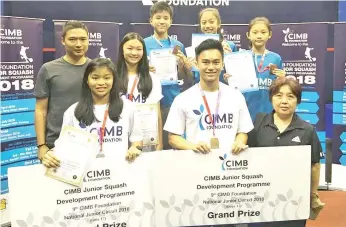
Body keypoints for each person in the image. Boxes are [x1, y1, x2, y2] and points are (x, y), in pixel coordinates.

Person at [248, 77, 325, 227]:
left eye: (290, 96)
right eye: (278, 95)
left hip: (293, 201)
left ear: (298, 101)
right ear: (271, 99)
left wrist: (313, 194)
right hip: (260, 200)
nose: (284, 101)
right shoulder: (258, 123)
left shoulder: (307, 130)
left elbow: (314, 165)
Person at [40, 58, 143, 168]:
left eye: (107, 78)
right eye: (95, 78)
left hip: (119, 174)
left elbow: (137, 140)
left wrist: (135, 148)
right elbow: (64, 146)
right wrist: (50, 156)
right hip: (86, 177)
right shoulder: (72, 112)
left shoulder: (128, 107)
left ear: (113, 80)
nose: (101, 83)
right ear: (87, 80)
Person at [164, 39, 253, 154]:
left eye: (216, 62)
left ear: (222, 64)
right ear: (196, 64)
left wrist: (238, 142)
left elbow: (243, 131)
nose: (211, 67)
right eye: (205, 62)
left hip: (229, 165)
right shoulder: (183, 99)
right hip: (197, 165)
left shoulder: (236, 96)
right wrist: (192, 146)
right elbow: (173, 137)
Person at [35, 20, 91, 162]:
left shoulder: (96, 68)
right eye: (72, 39)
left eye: (83, 39)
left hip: (91, 141)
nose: (78, 44)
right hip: (56, 143)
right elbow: (40, 110)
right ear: (63, 41)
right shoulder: (48, 69)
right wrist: (41, 145)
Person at [144, 1, 192, 150]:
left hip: (172, 100)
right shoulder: (143, 44)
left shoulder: (178, 45)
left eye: (165, 18)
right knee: (153, 146)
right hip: (150, 101)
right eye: (158, 17)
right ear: (151, 20)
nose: (162, 21)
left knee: (173, 146)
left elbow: (184, 77)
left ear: (171, 21)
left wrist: (185, 67)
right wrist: (145, 70)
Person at [226, 17, 285, 120]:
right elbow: (233, 89)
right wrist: (229, 80)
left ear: (269, 34)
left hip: (269, 114)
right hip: (245, 114)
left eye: (263, 32)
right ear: (248, 35)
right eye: (255, 32)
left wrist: (282, 79)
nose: (259, 36)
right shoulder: (240, 58)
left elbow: (279, 89)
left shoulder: (276, 58)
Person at [117, 32, 163, 151]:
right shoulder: (112, 76)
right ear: (122, 50)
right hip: (119, 137)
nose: (134, 53)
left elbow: (157, 114)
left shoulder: (152, 78)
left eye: (138, 49)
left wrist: (159, 145)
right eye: (130, 48)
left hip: (146, 137)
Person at [187, 8, 238, 85]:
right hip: (200, 89)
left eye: (211, 22)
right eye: (204, 22)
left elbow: (236, 74)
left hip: (224, 88)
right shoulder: (195, 47)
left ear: (218, 24)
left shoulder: (230, 46)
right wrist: (188, 67)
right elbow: (191, 77)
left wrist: (229, 58)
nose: (207, 26)